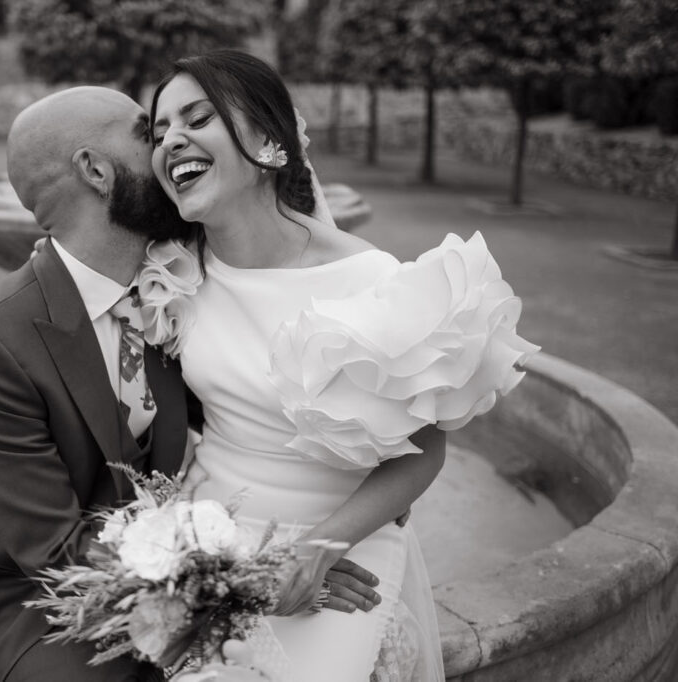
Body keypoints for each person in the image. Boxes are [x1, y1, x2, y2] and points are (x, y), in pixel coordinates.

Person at [0, 85, 384, 682]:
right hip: (29, 596)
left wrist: (339, 499)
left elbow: (253, 404)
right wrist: (261, 572)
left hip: (178, 554)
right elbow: (54, 550)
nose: (168, 151)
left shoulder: (170, 286)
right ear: (95, 170)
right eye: (149, 136)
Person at [144, 50, 539, 681]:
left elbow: (422, 453)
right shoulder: (173, 272)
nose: (171, 142)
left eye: (197, 118)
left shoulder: (373, 281)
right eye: (159, 131)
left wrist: (315, 552)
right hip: (208, 541)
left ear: (270, 141)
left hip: (338, 548)